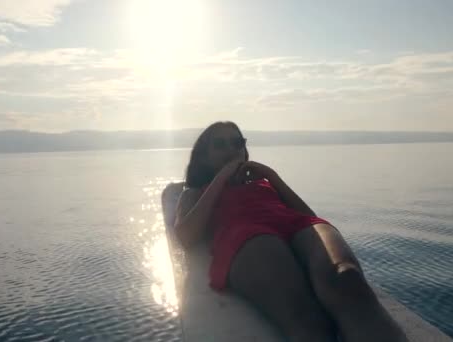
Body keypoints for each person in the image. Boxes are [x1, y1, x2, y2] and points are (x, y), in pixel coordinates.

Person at [170, 121, 408, 342]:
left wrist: (273, 177)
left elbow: (307, 215)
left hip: (295, 225)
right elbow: (186, 236)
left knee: (348, 280)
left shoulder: (263, 183)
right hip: (248, 234)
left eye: (237, 143)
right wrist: (221, 179)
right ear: (204, 157)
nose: (231, 149)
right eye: (220, 145)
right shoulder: (195, 192)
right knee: (300, 310)